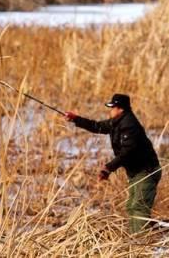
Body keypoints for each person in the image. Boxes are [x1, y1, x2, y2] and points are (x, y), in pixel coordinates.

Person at [64, 93, 162, 234]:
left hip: (146, 172)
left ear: (120, 109)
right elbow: (96, 126)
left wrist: (108, 168)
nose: (110, 110)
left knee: (139, 206)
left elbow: (128, 153)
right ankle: (138, 237)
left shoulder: (129, 125)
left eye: (112, 107)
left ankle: (143, 240)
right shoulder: (116, 122)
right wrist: (76, 119)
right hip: (136, 172)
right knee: (131, 206)